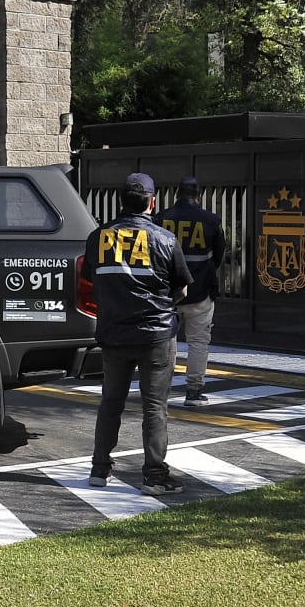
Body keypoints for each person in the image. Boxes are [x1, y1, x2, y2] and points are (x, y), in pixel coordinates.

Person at [79, 172, 192, 496]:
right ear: (152, 202)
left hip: (113, 332)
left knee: (110, 403)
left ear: (120, 202)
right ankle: (154, 476)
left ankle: (100, 469)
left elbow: (90, 276)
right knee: (154, 406)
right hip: (156, 334)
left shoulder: (98, 237)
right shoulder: (165, 239)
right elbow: (181, 286)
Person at [159, 177, 226, 406]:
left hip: (167, 293)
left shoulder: (161, 219)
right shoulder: (210, 220)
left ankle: (161, 391)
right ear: (198, 196)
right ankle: (194, 392)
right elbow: (218, 256)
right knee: (198, 343)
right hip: (200, 293)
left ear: (177, 194)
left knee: (167, 341)